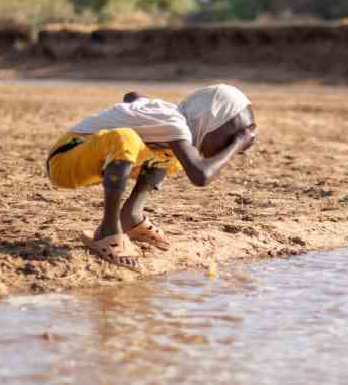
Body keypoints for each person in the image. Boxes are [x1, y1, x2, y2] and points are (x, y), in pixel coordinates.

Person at [46, 84, 257, 271]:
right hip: (65, 162)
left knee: (172, 154)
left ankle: (131, 217)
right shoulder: (173, 122)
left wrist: (138, 107)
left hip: (92, 161)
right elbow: (200, 176)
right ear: (210, 121)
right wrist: (238, 142)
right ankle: (108, 232)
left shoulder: (169, 116)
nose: (229, 146)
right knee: (124, 138)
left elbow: (132, 95)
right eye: (228, 138)